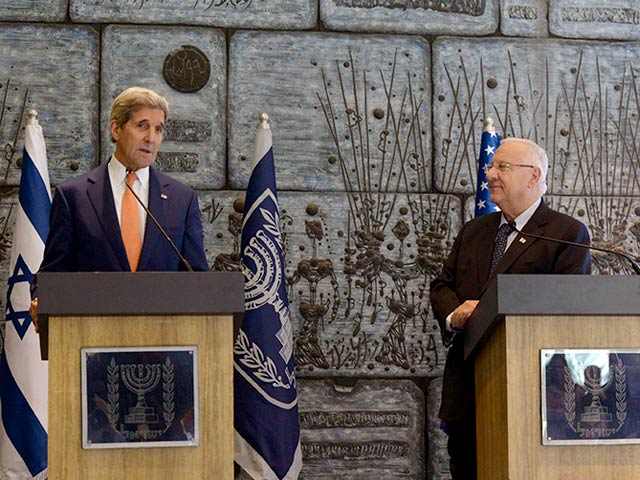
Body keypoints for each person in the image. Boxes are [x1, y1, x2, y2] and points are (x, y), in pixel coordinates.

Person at [430, 137, 591, 479]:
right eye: (492, 166)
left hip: (532, 397)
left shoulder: (565, 234)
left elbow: (567, 309)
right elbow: (441, 286)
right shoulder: (475, 230)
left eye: (502, 167)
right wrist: (454, 313)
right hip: (468, 391)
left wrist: (486, 308)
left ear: (533, 176)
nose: (490, 175)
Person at [31, 87, 208, 320]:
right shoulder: (74, 196)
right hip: (91, 337)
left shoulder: (181, 199)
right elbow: (53, 275)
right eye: (142, 126)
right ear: (116, 129)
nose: (151, 138)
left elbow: (197, 278)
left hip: (165, 343)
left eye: (158, 129)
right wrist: (43, 298)